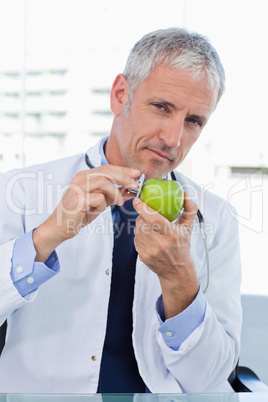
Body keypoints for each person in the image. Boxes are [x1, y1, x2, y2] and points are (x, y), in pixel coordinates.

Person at [0, 27, 242, 394]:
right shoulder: (21, 189)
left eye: (194, 121)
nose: (173, 138)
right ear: (120, 95)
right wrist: (47, 236)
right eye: (162, 107)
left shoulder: (217, 219)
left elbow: (212, 379)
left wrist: (180, 281)